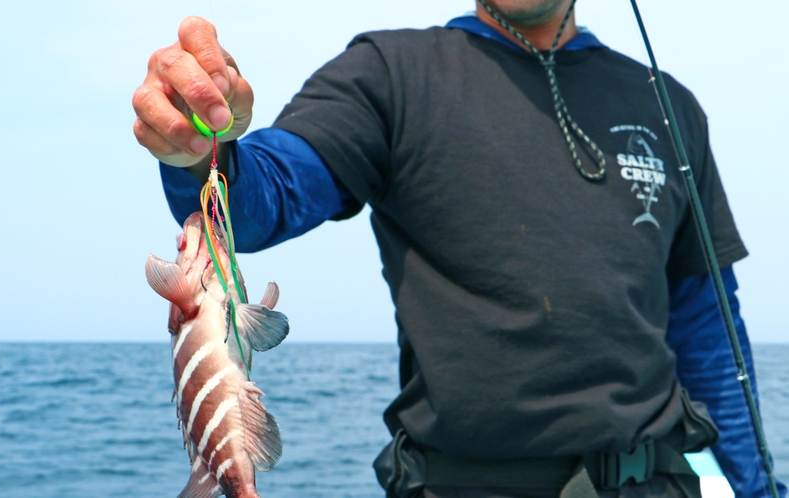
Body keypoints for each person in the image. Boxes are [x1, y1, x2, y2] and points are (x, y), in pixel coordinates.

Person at [132, 1, 786, 497]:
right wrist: (199, 149)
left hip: (658, 480)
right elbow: (263, 198)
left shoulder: (668, 106)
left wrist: (755, 489)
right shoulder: (389, 75)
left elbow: (706, 328)